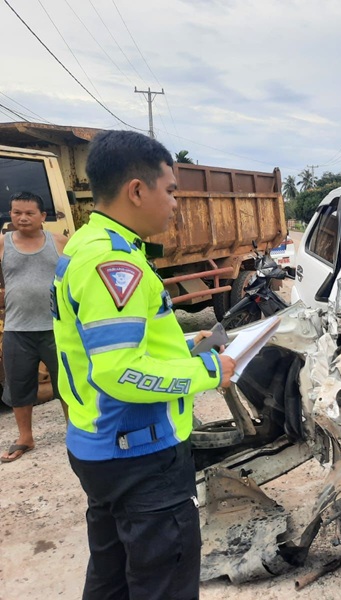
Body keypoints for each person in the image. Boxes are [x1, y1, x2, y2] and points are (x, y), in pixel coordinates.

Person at [52, 130, 236, 600]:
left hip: (100, 448)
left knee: (111, 577)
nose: (175, 203)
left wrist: (185, 344)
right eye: (170, 190)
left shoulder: (88, 244)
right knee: (162, 582)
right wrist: (208, 372)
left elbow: (110, 343)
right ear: (137, 190)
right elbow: (117, 371)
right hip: (139, 456)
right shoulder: (113, 261)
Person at [0, 191, 68, 463]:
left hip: (56, 328)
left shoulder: (60, 243)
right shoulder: (3, 244)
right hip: (17, 329)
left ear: (43, 216)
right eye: (16, 212)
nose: (22, 218)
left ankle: (74, 431)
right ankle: (25, 437)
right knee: (19, 385)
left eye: (29, 213)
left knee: (66, 382)